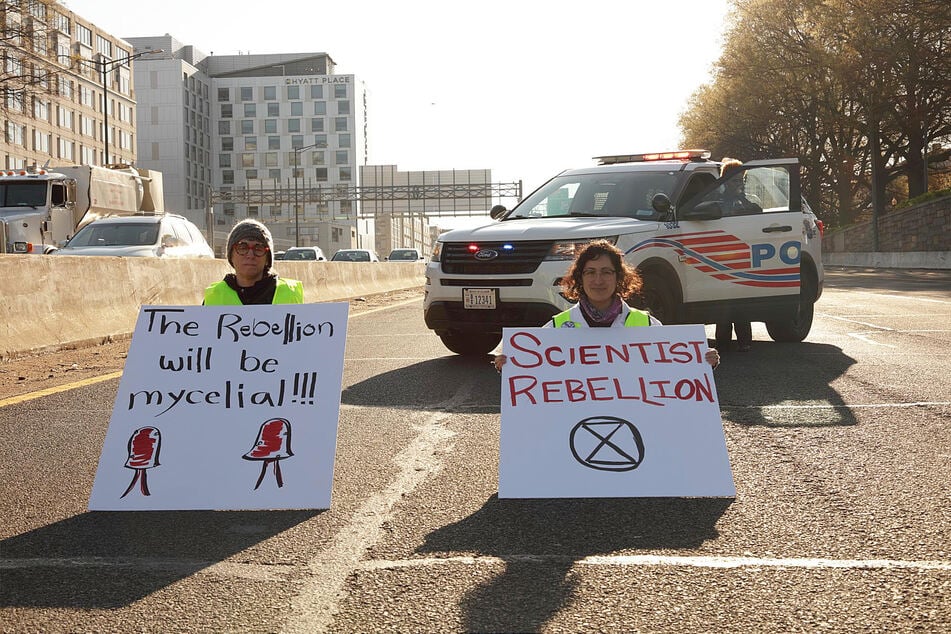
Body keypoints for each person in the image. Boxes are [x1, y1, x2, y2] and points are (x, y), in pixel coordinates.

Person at [493, 239, 719, 371]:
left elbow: (673, 372)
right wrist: (510, 366)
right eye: (590, 272)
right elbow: (534, 378)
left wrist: (701, 362)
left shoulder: (647, 325)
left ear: (618, 277)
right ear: (579, 278)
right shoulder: (557, 328)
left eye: (606, 272)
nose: (598, 280)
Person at [204, 219, 304, 305]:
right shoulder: (213, 297)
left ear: (267, 258)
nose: (250, 255)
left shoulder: (290, 293)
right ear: (231, 255)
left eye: (258, 248)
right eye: (242, 247)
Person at [716, 159, 757, 352]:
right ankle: (723, 343)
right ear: (724, 181)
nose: (738, 185)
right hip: (722, 258)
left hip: (742, 257)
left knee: (741, 301)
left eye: (741, 181)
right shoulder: (717, 203)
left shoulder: (748, 201)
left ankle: (744, 341)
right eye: (734, 181)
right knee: (723, 304)